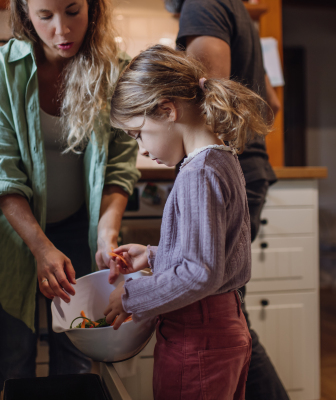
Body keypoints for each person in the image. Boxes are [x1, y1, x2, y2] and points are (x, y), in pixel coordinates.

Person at [0, 0, 140, 394]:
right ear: (26, 14)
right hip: (10, 231)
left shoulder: (114, 70)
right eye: (45, 16)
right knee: (16, 350)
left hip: (80, 226)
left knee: (76, 346)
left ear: (93, 8)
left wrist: (105, 236)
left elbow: (120, 167)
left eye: (73, 11)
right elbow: (3, 175)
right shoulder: (2, 70)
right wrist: (40, 247)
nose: (62, 30)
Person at [103, 44, 271, 400]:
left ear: (166, 110)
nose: (143, 151)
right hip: (225, 326)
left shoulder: (198, 173)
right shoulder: (222, 158)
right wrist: (152, 256)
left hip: (197, 336)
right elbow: (213, 256)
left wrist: (132, 295)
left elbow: (199, 273)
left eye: (138, 135)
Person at [164, 0, 289, 398]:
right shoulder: (237, 11)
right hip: (251, 167)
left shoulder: (200, 5)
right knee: (230, 312)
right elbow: (272, 103)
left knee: (222, 319)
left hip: (233, 168)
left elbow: (202, 100)